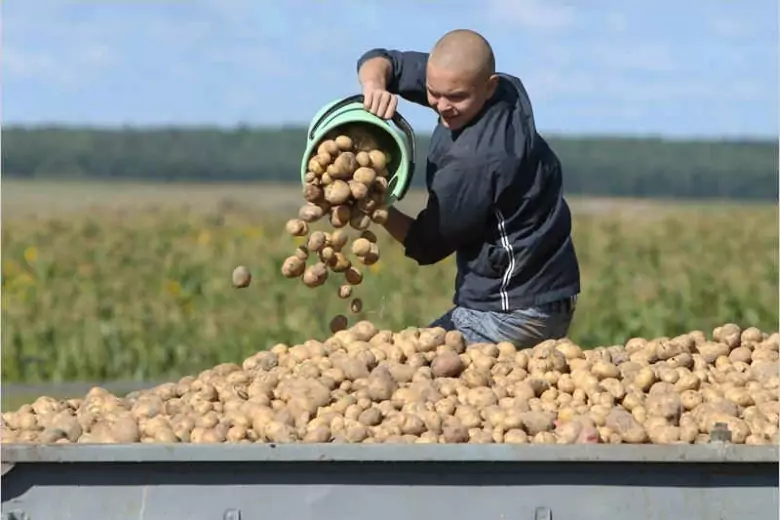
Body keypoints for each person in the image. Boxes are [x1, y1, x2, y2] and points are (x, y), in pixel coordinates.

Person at [355, 29, 581, 348]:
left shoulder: (477, 161)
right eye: (433, 92)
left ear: (488, 87)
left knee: (407, 364)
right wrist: (374, 84)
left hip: (512, 312)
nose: (442, 106)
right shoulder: (503, 89)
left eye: (456, 97)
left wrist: (375, 208)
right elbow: (386, 60)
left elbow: (426, 245)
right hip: (552, 291)